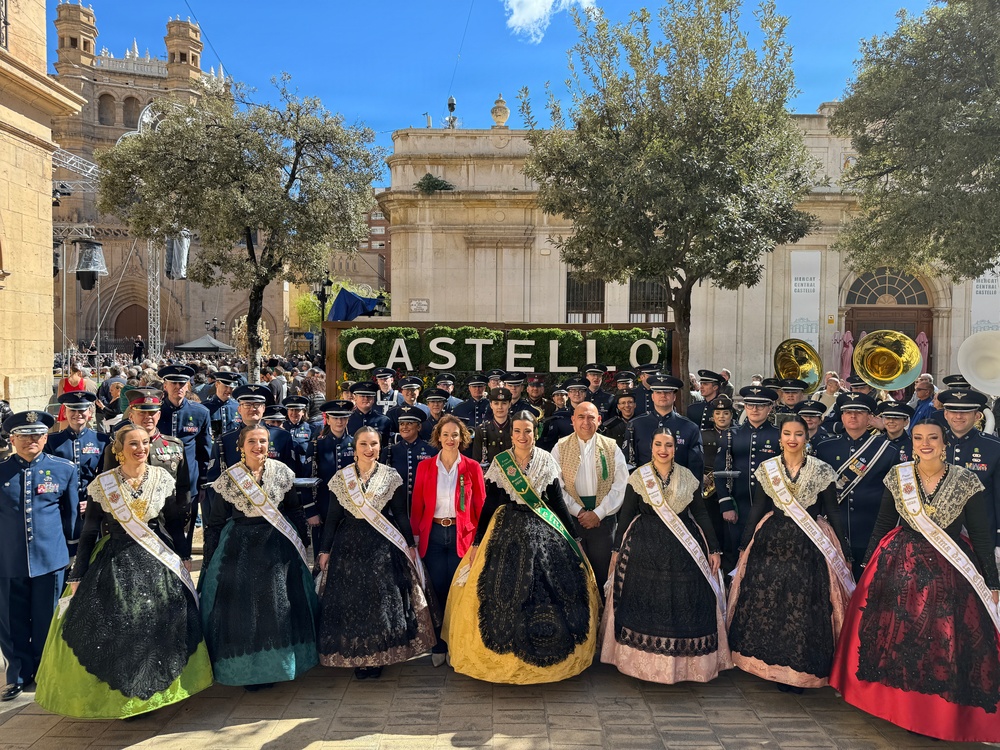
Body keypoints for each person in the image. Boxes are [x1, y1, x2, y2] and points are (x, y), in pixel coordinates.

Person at [831, 419, 1000, 743]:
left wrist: (992, 581)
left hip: (949, 567)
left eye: (933, 438)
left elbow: (979, 533)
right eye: (919, 438)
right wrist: (866, 564)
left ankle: (937, 711)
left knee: (944, 633)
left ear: (944, 443)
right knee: (897, 634)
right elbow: (883, 522)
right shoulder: (899, 476)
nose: (925, 444)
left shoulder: (966, 480)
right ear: (911, 444)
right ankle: (900, 706)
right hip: (900, 561)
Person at [34, 425, 212, 717]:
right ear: (118, 450)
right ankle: (125, 695)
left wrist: (182, 556)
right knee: (120, 626)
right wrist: (78, 574)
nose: (141, 448)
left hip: (158, 559)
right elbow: (90, 529)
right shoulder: (104, 484)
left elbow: (175, 521)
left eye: (144, 443)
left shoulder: (161, 478)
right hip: (115, 560)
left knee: (159, 625)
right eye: (133, 443)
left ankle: (155, 690)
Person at [443, 411, 600, 684]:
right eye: (517, 431)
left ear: (535, 433)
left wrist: (574, 540)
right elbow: (490, 504)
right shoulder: (501, 462)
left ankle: (550, 662)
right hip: (507, 533)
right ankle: (500, 660)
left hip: (546, 534)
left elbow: (558, 504)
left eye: (527, 431)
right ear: (511, 433)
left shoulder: (547, 460)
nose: (522, 436)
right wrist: (478, 543)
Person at [726, 415, 853, 693]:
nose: (792, 439)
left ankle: (800, 669)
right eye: (787, 433)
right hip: (772, 540)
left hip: (810, 545)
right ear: (780, 437)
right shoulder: (767, 469)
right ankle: (771, 666)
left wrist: (843, 549)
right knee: (770, 600)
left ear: (806, 437)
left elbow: (832, 511)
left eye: (798, 434)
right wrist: (744, 543)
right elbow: (757, 508)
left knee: (804, 603)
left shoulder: (822, 470)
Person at [601, 428, 732, 683]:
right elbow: (625, 515)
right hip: (643, 549)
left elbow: (701, 514)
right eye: (658, 444)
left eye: (669, 445)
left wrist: (713, 549)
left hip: (684, 552)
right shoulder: (639, 477)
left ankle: (684, 667)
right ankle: (643, 666)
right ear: (651, 447)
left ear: (675, 448)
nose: (663, 450)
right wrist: (617, 551)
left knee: (684, 602)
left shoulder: (688, 477)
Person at [200, 424, 319, 689]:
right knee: (244, 611)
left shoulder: (282, 473)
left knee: (278, 609)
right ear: (240, 447)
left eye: (263, 441)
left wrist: (301, 542)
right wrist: (209, 560)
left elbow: (295, 510)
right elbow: (216, 522)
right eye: (252, 441)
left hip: (277, 548)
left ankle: (277, 666)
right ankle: (248, 671)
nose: (258, 446)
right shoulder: (229, 479)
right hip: (239, 550)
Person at [317, 426, 437, 679]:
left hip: (381, 546)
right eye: (364, 444)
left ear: (380, 447)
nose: (369, 449)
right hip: (348, 546)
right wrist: (325, 550)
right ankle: (357, 656)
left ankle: (378, 656)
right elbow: (332, 519)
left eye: (374, 444)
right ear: (355, 448)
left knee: (379, 601)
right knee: (352, 600)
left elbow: (400, 514)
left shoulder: (390, 476)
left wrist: (409, 545)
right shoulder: (342, 478)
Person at [0, 411, 78, 702]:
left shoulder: (64, 469)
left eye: (37, 435)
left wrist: (72, 555)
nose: (31, 440)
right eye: (24, 435)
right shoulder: (1, 471)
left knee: (48, 619)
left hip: (51, 559)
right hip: (8, 559)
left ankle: (46, 669)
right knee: (11, 621)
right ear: (12, 439)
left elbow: (71, 517)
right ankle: (18, 674)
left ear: (46, 437)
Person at [410, 415, 486, 666]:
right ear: (438, 437)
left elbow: (480, 506)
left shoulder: (473, 467)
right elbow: (417, 505)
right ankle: (439, 645)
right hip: (432, 535)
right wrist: (415, 539)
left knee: (459, 592)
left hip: (461, 536)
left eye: (455, 435)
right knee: (437, 589)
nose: (450, 439)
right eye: (445, 435)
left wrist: (479, 540)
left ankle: (458, 644)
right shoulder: (425, 467)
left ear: (462, 438)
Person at [813, 393, 899, 579]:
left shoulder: (887, 449)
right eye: (848, 412)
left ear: (869, 418)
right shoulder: (824, 447)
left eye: (859, 412)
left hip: (871, 530)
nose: (853, 416)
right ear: (842, 416)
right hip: (833, 528)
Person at [550, 402, 628, 596]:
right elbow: (555, 487)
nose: (586, 422)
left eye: (591, 417)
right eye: (581, 417)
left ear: (599, 420)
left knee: (604, 575)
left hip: (604, 522)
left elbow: (621, 485)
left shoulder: (611, 447)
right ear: (573, 421)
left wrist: (598, 513)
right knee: (573, 576)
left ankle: (603, 622)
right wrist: (578, 512)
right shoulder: (559, 448)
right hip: (571, 521)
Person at [44, 392, 109, 557]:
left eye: (82, 410)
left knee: (92, 552)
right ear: (65, 412)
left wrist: (92, 501)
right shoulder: (52, 441)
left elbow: (105, 476)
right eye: (72, 410)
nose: (77, 414)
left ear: (90, 413)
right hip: (60, 507)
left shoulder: (102, 440)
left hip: (91, 507)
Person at [626, 375, 703, 476]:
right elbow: (628, 463)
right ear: (652, 396)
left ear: (674, 397)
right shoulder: (635, 425)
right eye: (658, 392)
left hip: (680, 487)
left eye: (667, 392)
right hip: (644, 487)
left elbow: (696, 466)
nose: (663, 395)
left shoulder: (689, 427)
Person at [471, 387, 513, 467]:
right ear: (491, 405)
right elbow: (476, 461)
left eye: (504, 403)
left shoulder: (516, 428)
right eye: (496, 403)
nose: (500, 407)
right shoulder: (482, 430)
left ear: (509, 404)